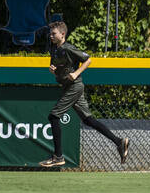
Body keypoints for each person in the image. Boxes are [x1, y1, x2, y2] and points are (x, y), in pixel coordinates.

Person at [39, 20, 129, 168]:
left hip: (74, 86)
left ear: (62, 34)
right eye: (50, 33)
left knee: (54, 116)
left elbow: (88, 60)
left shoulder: (69, 48)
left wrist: (76, 73)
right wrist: (52, 70)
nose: (51, 36)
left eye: (54, 33)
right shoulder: (54, 49)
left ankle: (58, 156)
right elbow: (56, 65)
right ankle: (119, 142)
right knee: (88, 119)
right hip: (67, 87)